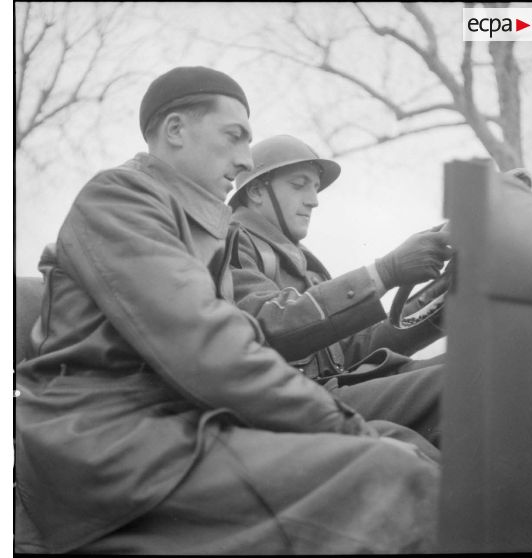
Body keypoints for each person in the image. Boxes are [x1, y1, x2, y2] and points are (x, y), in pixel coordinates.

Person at [15, 67, 440, 554]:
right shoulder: (121, 198)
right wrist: (344, 428)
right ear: (175, 130)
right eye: (234, 137)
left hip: (172, 429)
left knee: (399, 447)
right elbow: (208, 347)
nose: (243, 160)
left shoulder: (194, 226)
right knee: (393, 473)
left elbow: (238, 342)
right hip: (108, 448)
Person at [228, 135, 452, 445]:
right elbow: (266, 325)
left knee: (475, 364)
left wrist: (446, 294)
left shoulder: (305, 263)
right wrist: (385, 271)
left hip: (327, 394)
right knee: (456, 385)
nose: (313, 199)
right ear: (255, 191)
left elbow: (349, 351)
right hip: (288, 409)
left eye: (314, 188)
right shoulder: (231, 242)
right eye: (298, 185)